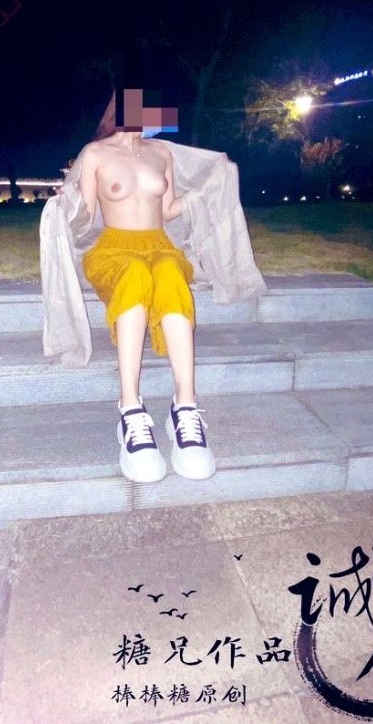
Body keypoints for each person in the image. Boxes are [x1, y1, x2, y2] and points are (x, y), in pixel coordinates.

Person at [78, 85, 216, 484]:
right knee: (136, 274)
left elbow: (168, 210)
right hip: (115, 250)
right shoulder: (95, 154)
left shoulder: (161, 153)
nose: (152, 113)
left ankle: (184, 408)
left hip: (159, 245)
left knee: (171, 272)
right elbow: (85, 214)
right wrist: (61, 211)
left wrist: (207, 187)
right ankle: (130, 409)